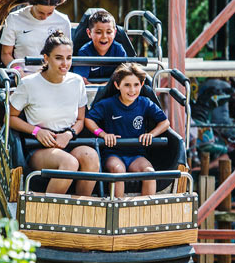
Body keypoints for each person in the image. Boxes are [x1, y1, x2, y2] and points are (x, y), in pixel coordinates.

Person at [9, 31, 99, 195]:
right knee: (69, 163)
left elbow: (80, 119)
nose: (65, 63)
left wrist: (70, 134)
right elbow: (9, 117)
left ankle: (81, 209)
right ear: (46, 58)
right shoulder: (29, 83)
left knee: (91, 156)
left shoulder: (77, 81)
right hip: (39, 147)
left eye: (69, 58)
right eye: (59, 58)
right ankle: (46, 212)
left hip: (68, 140)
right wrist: (37, 131)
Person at [85, 63, 170, 197]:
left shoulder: (145, 102)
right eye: (127, 85)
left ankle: (145, 213)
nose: (132, 90)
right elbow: (88, 120)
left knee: (149, 172)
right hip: (113, 153)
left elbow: (165, 122)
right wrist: (102, 134)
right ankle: (118, 210)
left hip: (136, 154)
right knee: (118, 171)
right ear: (117, 85)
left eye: (136, 85)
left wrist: (151, 134)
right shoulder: (108, 104)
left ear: (142, 85)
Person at [72, 10, 127, 83]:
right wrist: (104, 87)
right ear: (89, 33)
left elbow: (124, 78)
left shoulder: (119, 50)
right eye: (98, 32)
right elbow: (81, 80)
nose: (104, 37)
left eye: (109, 32)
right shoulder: (84, 52)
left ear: (115, 33)